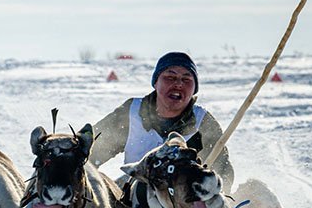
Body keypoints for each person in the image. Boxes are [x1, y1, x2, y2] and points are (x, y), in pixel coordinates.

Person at [89, 51, 234, 187]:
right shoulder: (131, 113)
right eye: (170, 77)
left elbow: (222, 171)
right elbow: (90, 152)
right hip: (132, 200)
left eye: (186, 79)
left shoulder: (202, 123)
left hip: (182, 205)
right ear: (156, 83)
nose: (178, 83)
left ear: (194, 89)